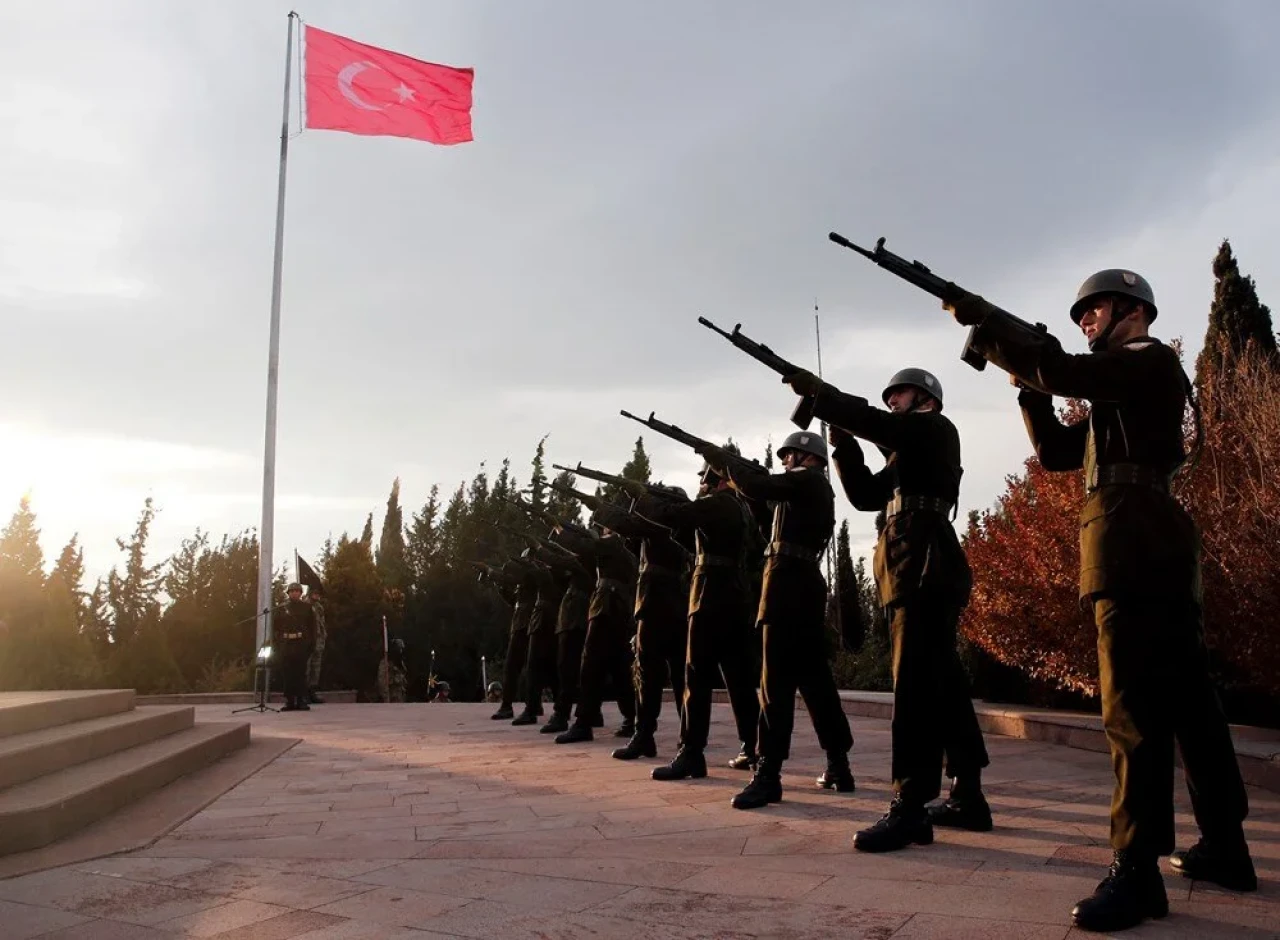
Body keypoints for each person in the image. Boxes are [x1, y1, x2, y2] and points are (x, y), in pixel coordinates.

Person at [945, 269, 1255, 932]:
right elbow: (1059, 452)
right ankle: (1227, 848)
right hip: (1153, 543)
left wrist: (992, 331)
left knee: (1134, 711)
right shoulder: (1124, 393)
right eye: (1081, 317)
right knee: (1191, 704)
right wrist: (1027, 387)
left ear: (1133, 311)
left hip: (1130, 543)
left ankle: (1137, 872)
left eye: (1095, 312)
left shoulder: (1146, 360)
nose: (1086, 324)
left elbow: (1062, 370)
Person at [785, 367, 991, 846]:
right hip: (909, 563)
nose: (892, 400)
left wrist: (828, 399)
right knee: (942, 684)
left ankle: (911, 805)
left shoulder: (935, 429)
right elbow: (863, 495)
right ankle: (968, 793)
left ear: (925, 399)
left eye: (898, 393)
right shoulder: (907, 453)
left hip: (923, 563)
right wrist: (841, 439)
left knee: (916, 686)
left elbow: (881, 423)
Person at [702, 432, 856, 810]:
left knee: (775, 685)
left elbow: (758, 483)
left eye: (791, 457)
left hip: (787, 585)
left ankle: (768, 775)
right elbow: (762, 511)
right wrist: (742, 484)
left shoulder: (807, 481)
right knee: (815, 682)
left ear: (807, 457)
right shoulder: (806, 491)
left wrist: (722, 461)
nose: (785, 462)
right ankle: (839, 764)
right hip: (798, 585)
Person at [632, 460, 761, 781]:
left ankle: (691, 753)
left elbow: (673, 517)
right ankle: (752, 745)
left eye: (704, 478)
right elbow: (691, 539)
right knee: (739, 679)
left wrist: (642, 497)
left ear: (714, 479)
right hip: (733, 596)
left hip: (710, 597)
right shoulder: (738, 508)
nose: (700, 483)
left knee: (697, 677)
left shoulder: (717, 503)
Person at [591, 484, 693, 761]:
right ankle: (680, 737)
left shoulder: (664, 523)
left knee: (649, 675)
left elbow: (627, 525)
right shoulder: (669, 526)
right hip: (672, 603)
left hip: (658, 603)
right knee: (667, 675)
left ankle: (647, 736)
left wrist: (599, 507)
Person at [273, 582, 317, 711]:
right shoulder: (282, 608)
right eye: (292, 591)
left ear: (300, 593)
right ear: (288, 593)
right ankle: (290, 701)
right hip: (286, 644)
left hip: (301, 643)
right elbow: (276, 627)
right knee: (288, 673)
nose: (294, 593)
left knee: (301, 673)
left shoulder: (307, 608)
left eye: (297, 591)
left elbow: (312, 627)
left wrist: (311, 644)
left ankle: (302, 700)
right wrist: (278, 644)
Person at [304, 587, 327, 704]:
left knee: (316, 667)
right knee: (306, 667)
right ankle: (304, 693)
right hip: (307, 640)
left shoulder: (319, 607)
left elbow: (322, 623)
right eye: (315, 593)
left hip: (318, 640)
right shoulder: (305, 605)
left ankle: (312, 691)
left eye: (318, 593)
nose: (317, 595)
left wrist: (323, 638)